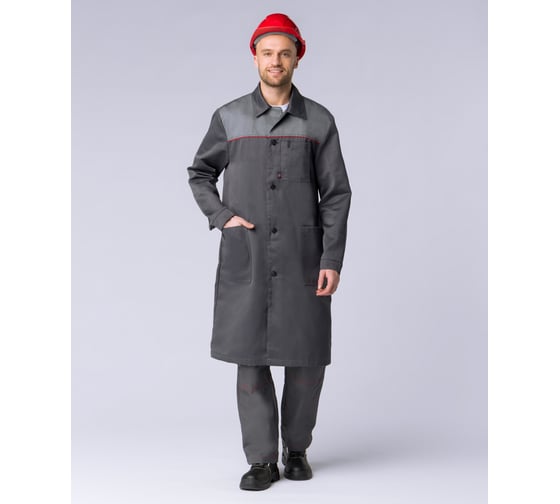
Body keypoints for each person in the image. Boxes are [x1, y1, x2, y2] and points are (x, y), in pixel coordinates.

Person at [187, 13, 351, 491]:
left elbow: (336, 194)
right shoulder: (229, 117)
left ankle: (296, 449)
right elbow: (200, 172)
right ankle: (261, 460)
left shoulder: (319, 120)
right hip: (250, 257)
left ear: (298, 57)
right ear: (254, 57)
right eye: (267, 53)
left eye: (284, 53)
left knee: (307, 360)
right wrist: (222, 216)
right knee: (251, 360)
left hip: (304, 258)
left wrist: (331, 259)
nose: (275, 61)